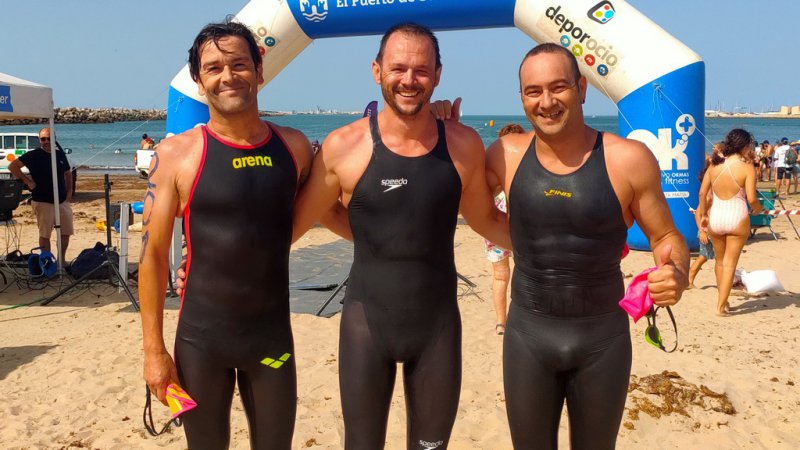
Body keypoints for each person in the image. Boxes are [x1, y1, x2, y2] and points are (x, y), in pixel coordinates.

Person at [440, 43, 688, 449]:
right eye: (533, 91)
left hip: (602, 341)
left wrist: (675, 271)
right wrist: (443, 137)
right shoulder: (506, 154)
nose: (547, 102)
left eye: (558, 87)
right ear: (522, 97)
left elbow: (666, 237)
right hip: (528, 337)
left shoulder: (628, 159)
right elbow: (468, 208)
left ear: (581, 88)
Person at [290, 23, 510, 449]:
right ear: (377, 71)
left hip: (437, 330)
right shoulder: (343, 146)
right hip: (365, 325)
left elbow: (487, 221)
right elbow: (301, 221)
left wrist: (560, 247)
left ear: (438, 75)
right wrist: (208, 266)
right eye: (398, 68)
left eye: (421, 70)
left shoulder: (463, 145)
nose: (409, 79)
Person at [138, 20, 314, 449]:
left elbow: (348, 188)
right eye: (213, 68)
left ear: (259, 70)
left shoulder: (294, 148)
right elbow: (153, 255)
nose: (228, 76)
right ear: (199, 82)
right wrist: (154, 352)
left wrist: (432, 118)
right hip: (201, 343)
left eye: (239, 64)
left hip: (271, 340)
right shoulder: (175, 155)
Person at [696, 129, 762, 316]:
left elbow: (702, 193)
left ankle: (723, 302)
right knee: (730, 263)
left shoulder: (714, 165)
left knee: (719, 262)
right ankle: (721, 305)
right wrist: (757, 209)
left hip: (716, 217)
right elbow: (751, 198)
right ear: (744, 145)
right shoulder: (746, 167)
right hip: (737, 216)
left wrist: (704, 214)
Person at [8, 127, 74, 261]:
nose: (46, 141)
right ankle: (47, 261)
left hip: (62, 201)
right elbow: (13, 166)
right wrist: (28, 182)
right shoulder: (34, 155)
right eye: (43, 139)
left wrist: (69, 192)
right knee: (45, 234)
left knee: (65, 232)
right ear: (40, 140)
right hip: (43, 201)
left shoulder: (59, 154)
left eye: (49, 138)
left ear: (54, 139)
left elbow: (68, 173)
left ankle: (61, 260)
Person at [486, 123, 524, 335]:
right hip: (515, 227)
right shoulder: (528, 163)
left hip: (496, 227)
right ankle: (512, 319)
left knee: (501, 276)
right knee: (521, 273)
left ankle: (502, 322)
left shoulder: (493, 162)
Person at [688, 152, 718, 288]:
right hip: (706, 230)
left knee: (707, 257)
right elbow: (698, 214)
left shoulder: (713, 193)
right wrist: (702, 231)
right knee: (703, 257)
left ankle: (689, 280)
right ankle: (689, 280)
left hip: (712, 228)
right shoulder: (708, 196)